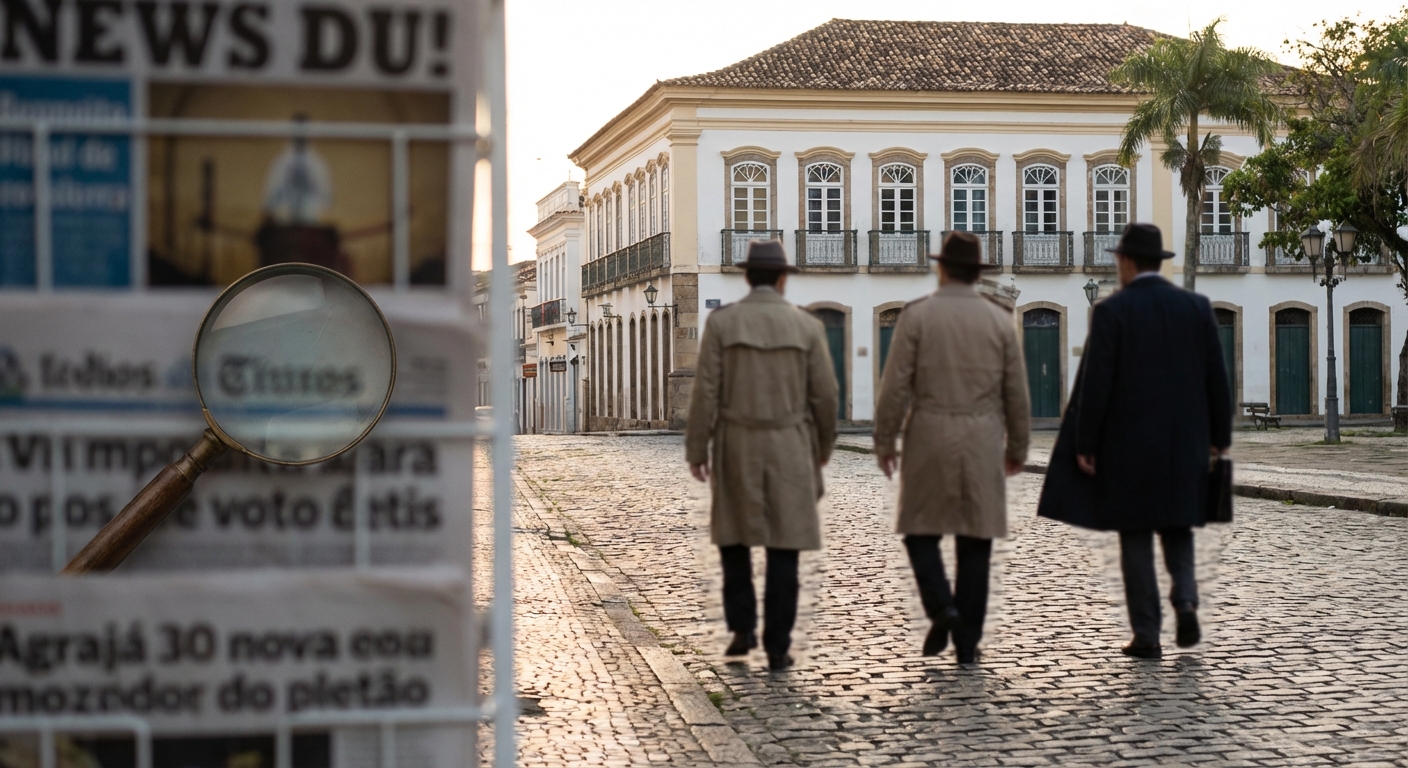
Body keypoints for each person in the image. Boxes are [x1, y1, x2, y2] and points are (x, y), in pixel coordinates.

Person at [1037, 223, 1233, 659]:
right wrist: (1219, 439)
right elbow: (1217, 381)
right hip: (1185, 444)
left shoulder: (1113, 311)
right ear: (1156, 262)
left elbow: (1096, 384)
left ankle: (1147, 633)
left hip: (1129, 447)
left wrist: (1084, 444)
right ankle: (1185, 599)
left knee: (1136, 537)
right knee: (1178, 527)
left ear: (1126, 262)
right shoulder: (1196, 307)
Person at [873, 231, 1031, 664]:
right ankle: (967, 641)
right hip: (982, 437)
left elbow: (895, 386)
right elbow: (1016, 392)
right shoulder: (999, 321)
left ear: (942, 268)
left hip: (928, 433)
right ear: (976, 273)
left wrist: (885, 439)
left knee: (919, 532)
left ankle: (942, 609)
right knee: (975, 539)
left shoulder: (918, 316)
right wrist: (1018, 445)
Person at [685, 240, 839, 671]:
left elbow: (706, 392)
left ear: (748, 276)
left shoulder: (722, 323)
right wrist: (823, 447)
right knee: (784, 546)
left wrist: (698, 447)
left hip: (737, 441)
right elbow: (825, 395)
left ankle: (741, 631)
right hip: (790, 442)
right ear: (783, 277)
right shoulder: (807, 326)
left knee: (734, 540)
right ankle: (777, 645)